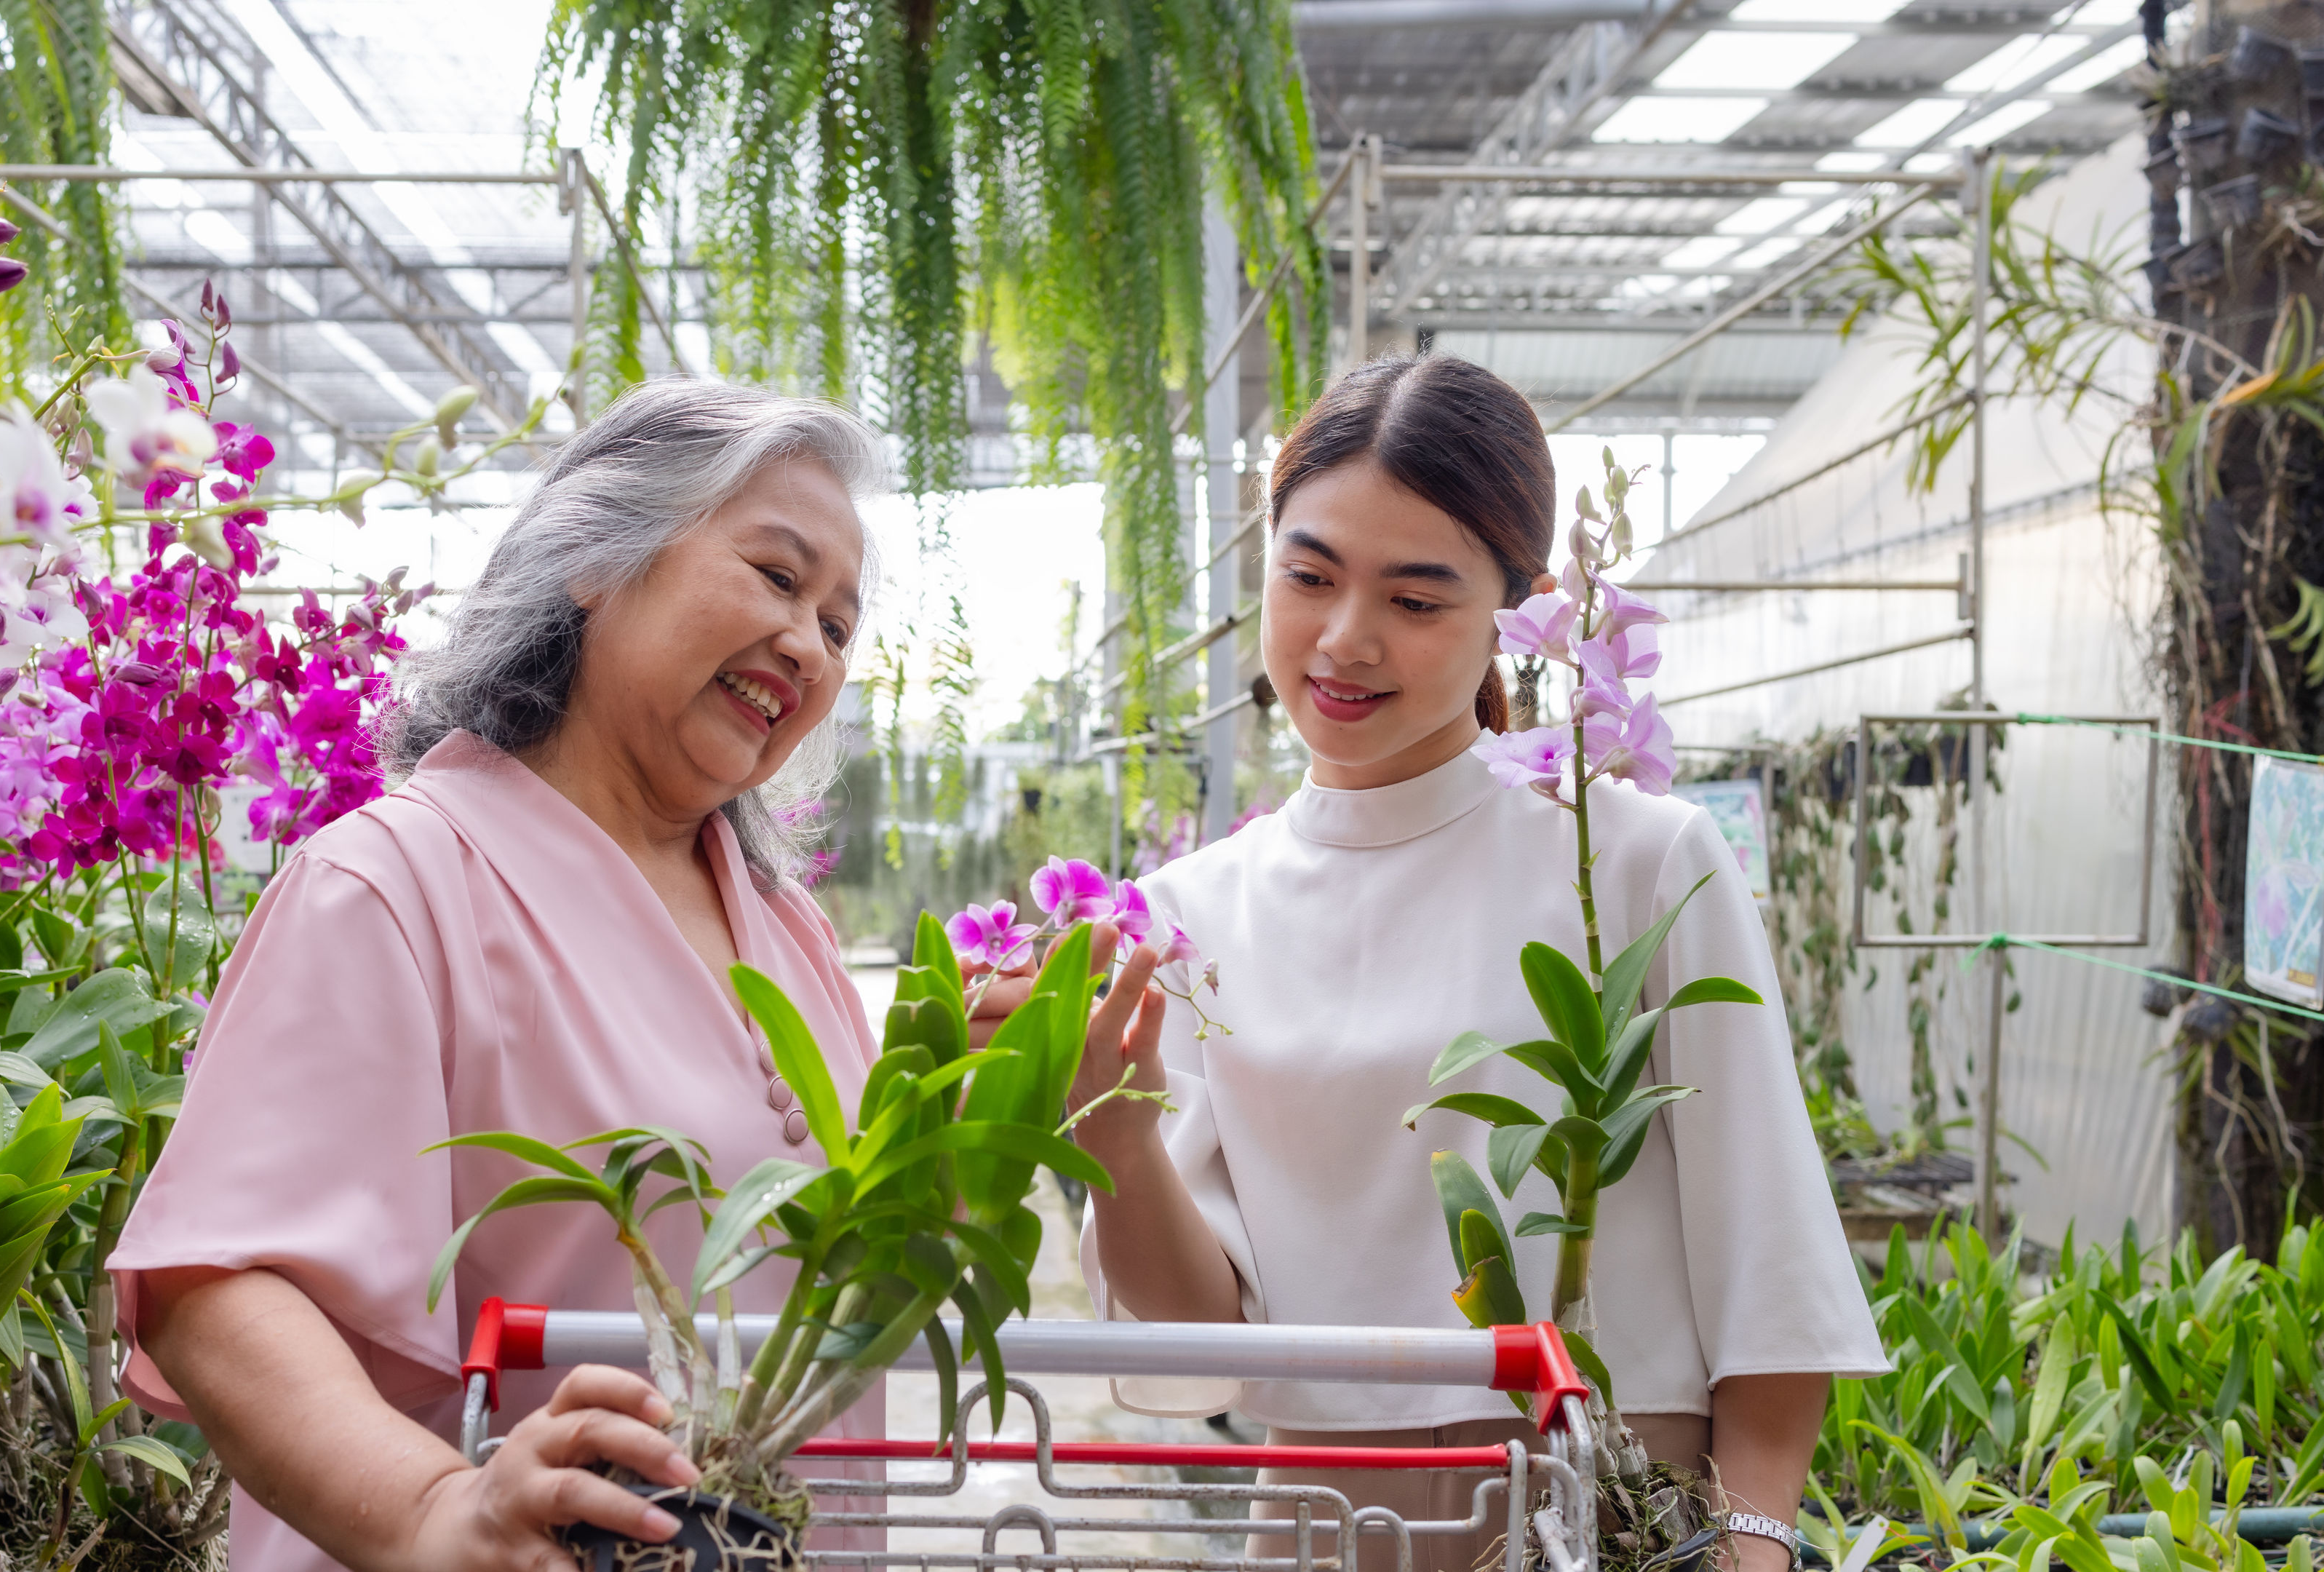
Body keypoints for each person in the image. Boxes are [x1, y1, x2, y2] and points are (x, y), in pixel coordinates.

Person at [1060, 355, 1887, 1572]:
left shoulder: (1636, 860)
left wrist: (1753, 1538)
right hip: (1330, 1521)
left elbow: (1767, 1241)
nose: (1346, 640)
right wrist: (1112, 1131)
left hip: (1616, 1502)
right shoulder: (1192, 914)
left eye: (1417, 599)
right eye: (1309, 577)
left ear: (1521, 608)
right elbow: (1199, 1330)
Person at [108, 381, 891, 1572]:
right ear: (597, 558)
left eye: (839, 626)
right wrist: (436, 1512)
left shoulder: (792, 934)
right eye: (780, 579)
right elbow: (220, 1286)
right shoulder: (395, 885)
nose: (808, 645)